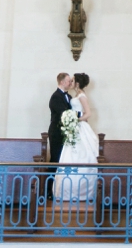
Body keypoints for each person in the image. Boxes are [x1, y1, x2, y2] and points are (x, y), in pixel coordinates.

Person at [52, 73, 99, 201]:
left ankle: (83, 191)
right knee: (69, 155)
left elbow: (88, 113)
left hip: (79, 127)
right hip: (73, 129)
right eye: (69, 80)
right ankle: (66, 191)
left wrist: (76, 119)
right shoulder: (72, 96)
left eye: (72, 80)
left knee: (83, 155)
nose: (71, 82)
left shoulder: (81, 96)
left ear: (77, 83)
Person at [47, 72, 74, 164]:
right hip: (57, 133)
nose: (70, 83)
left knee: (65, 159)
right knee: (56, 158)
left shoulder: (69, 96)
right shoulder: (56, 97)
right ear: (62, 82)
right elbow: (64, 113)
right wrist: (80, 114)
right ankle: (51, 178)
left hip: (66, 133)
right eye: (68, 81)